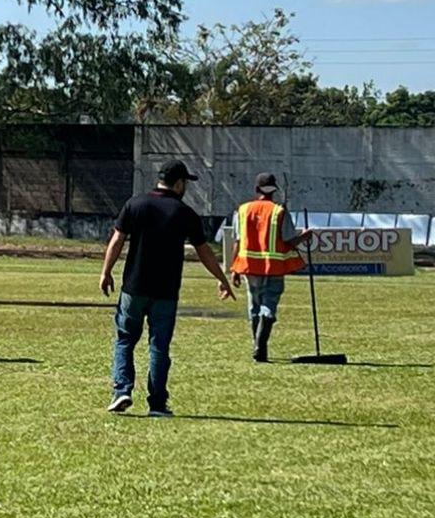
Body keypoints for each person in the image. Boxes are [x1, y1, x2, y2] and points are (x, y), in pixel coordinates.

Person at [99, 159, 235, 416]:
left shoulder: (135, 204)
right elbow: (204, 251)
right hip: (166, 291)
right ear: (180, 183)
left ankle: (122, 391)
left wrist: (106, 272)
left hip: (134, 287)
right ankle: (158, 404)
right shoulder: (185, 213)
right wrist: (222, 278)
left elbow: (117, 239)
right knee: (159, 346)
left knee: (125, 340)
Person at [229, 172, 312, 362]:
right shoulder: (279, 212)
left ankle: (257, 345)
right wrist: (305, 236)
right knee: (269, 305)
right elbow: (289, 242)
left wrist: (234, 269)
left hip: (249, 267)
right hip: (273, 267)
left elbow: (237, 242)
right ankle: (261, 345)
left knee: (254, 306)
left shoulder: (242, 210)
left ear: (257, 189)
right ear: (274, 190)